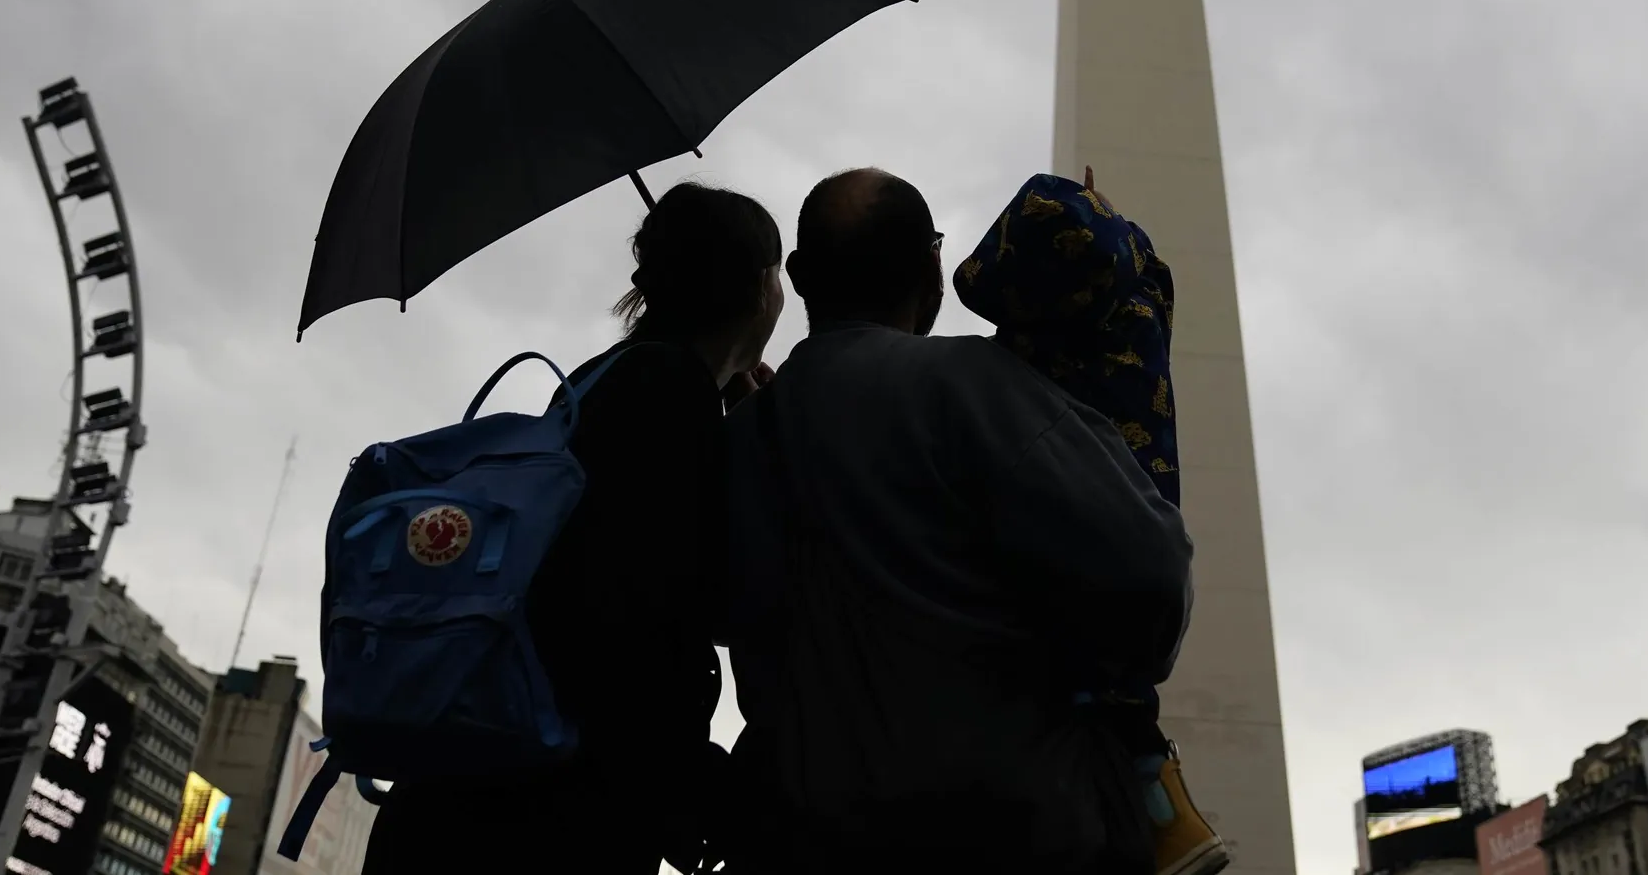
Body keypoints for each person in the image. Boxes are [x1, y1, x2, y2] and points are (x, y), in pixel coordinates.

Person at [723, 168, 1193, 875]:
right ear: (933, 266)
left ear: (797, 274)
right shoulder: (972, 385)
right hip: (1008, 830)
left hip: (800, 835)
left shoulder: (742, 438)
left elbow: (725, 614)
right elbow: (1150, 579)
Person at [363, 181, 783, 875]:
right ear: (759, 286)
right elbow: (642, 620)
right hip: (541, 817)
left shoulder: (604, 382)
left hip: (462, 798)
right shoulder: (668, 397)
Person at [953, 169, 1228, 875]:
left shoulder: (1015, 364)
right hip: (1134, 574)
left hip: (1030, 686)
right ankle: (1159, 797)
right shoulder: (1137, 300)